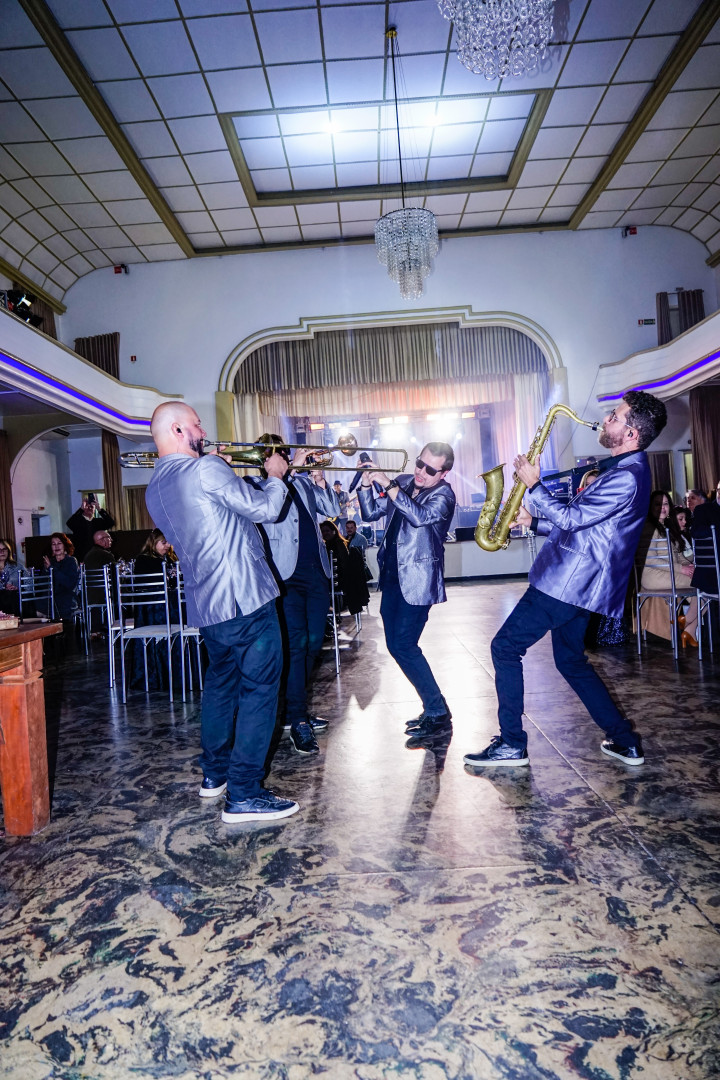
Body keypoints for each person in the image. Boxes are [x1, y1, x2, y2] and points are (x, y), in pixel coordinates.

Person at [464, 391, 667, 770]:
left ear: (632, 433)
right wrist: (533, 522)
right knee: (571, 662)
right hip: (580, 584)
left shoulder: (627, 477)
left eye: (615, 416)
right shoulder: (626, 470)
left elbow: (573, 520)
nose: (606, 420)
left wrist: (535, 485)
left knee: (505, 648)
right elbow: (589, 529)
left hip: (566, 583)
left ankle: (511, 744)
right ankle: (625, 742)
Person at [145, 401, 299, 824]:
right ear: (178, 431)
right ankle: (245, 793)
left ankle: (214, 774)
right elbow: (266, 510)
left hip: (208, 606)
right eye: (196, 424)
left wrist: (221, 470)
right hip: (245, 600)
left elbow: (210, 513)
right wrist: (275, 476)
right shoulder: (206, 469)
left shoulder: (154, 487)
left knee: (219, 688)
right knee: (260, 692)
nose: (202, 429)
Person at [247, 437, 340, 756]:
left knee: (313, 645)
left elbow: (333, 510)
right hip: (285, 575)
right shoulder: (256, 485)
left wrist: (319, 480)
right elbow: (267, 513)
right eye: (276, 454)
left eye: (285, 453)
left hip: (316, 572)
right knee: (297, 646)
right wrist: (289, 472)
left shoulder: (302, 483)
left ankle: (293, 709)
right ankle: (298, 719)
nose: (284, 458)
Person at [358, 442, 456, 740]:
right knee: (398, 645)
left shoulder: (444, 495)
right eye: (419, 463)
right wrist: (366, 485)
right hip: (391, 577)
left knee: (403, 645)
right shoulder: (403, 482)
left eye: (430, 469)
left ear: (443, 473)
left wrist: (389, 485)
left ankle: (437, 710)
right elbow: (370, 514)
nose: (421, 472)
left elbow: (419, 517)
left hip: (417, 581)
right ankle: (435, 706)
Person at [638, 490, 697, 647]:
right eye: (657, 504)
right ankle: (688, 624)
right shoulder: (648, 527)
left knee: (703, 587)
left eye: (665, 504)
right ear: (651, 506)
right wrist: (681, 569)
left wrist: (691, 564)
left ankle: (689, 628)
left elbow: (677, 555)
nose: (662, 508)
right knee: (702, 585)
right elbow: (651, 559)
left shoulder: (667, 526)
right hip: (652, 574)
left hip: (669, 572)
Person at [320, 519, 370, 616]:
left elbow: (344, 566)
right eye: (323, 531)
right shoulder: (338, 542)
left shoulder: (337, 544)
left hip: (340, 582)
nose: (325, 533)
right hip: (343, 581)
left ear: (334, 531)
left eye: (327, 531)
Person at [42, 532, 80, 620]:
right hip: (51, 598)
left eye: (59, 543)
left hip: (67, 598)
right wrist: (46, 570)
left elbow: (69, 583)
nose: (56, 546)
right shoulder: (50, 561)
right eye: (53, 544)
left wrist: (51, 568)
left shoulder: (71, 561)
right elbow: (43, 585)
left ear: (65, 545)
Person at [66, 495, 115, 562]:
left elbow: (111, 523)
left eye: (91, 507)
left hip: (96, 553)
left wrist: (99, 509)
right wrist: (81, 509)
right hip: (81, 554)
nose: (89, 508)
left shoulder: (98, 521)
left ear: (94, 510)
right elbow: (69, 523)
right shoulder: (78, 521)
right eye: (87, 506)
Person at [0, 538, 27, 616]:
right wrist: (4, 587)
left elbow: (29, 585)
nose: (2, 552)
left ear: (8, 551)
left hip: (15, 601)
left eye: (4, 549)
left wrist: (18, 587)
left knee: (11, 595)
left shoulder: (17, 567)